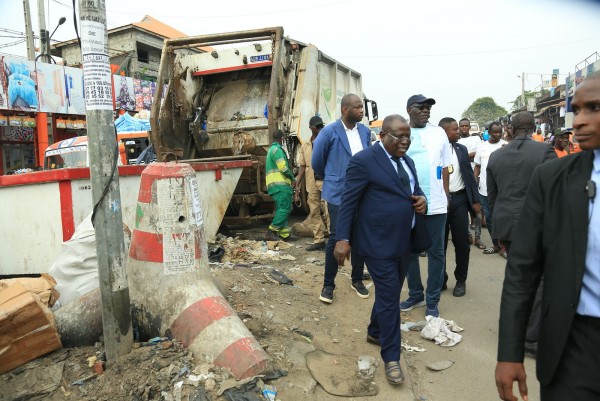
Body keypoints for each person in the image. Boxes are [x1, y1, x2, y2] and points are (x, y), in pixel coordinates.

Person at [495, 72, 600, 401]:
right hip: (575, 344)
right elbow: (523, 270)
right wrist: (509, 352)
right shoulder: (554, 176)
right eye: (576, 110)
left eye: (593, 108)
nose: (578, 122)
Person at [334, 114, 427, 385]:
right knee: (389, 298)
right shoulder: (364, 161)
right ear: (383, 134)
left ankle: (375, 331)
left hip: (403, 241)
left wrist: (421, 200)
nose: (405, 141)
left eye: (408, 136)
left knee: (390, 293)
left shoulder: (407, 162)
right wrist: (342, 239)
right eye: (400, 136)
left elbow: (415, 191)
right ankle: (392, 357)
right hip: (376, 243)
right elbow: (348, 201)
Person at [312, 93, 371, 303]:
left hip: (362, 193)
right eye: (357, 107)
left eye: (362, 107)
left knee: (360, 238)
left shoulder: (365, 131)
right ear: (345, 110)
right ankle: (328, 285)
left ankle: (357, 280)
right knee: (338, 237)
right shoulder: (329, 132)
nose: (361, 111)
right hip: (338, 194)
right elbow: (317, 161)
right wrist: (333, 178)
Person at [399, 94, 452, 318]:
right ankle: (415, 293)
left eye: (429, 108)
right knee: (409, 251)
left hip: (437, 204)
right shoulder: (402, 132)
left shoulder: (438, 133)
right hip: (408, 203)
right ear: (409, 109)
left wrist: (446, 195)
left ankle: (432, 300)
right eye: (421, 107)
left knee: (436, 254)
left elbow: (447, 166)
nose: (426, 111)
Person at [439, 118, 480, 297]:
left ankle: (461, 280)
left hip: (460, 200)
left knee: (461, 242)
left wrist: (476, 201)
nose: (458, 132)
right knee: (439, 244)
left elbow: (470, 177)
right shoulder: (434, 151)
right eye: (455, 129)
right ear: (443, 132)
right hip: (440, 203)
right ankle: (441, 278)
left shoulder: (461, 149)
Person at [295, 115, 329, 251]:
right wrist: (297, 184)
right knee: (314, 212)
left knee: (328, 212)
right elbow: (302, 166)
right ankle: (319, 240)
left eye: (322, 126)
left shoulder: (327, 142)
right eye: (318, 127)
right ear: (311, 128)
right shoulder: (306, 145)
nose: (321, 129)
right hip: (311, 183)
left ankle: (333, 240)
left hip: (325, 183)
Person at [473, 121, 505, 256]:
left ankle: (504, 247)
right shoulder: (482, 146)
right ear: (489, 132)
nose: (497, 134)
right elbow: (477, 166)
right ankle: (496, 245)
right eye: (495, 132)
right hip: (484, 190)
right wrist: (475, 183)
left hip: (502, 191)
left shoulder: (505, 146)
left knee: (502, 218)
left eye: (499, 132)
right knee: (490, 219)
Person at [458, 117, 484, 250]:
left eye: (466, 126)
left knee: (477, 208)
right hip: (460, 177)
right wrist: (469, 155)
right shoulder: (456, 140)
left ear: (469, 127)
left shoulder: (476, 139)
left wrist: (463, 155)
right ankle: (468, 234)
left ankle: (478, 237)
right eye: (461, 126)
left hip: (474, 175)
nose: (464, 128)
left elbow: (478, 155)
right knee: (463, 209)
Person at [265, 129, 296, 240]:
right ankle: (271, 231)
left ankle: (284, 234)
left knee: (281, 209)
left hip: (275, 185)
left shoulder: (271, 150)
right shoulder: (277, 150)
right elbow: (283, 167)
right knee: (285, 208)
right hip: (281, 185)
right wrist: (292, 177)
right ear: (281, 138)